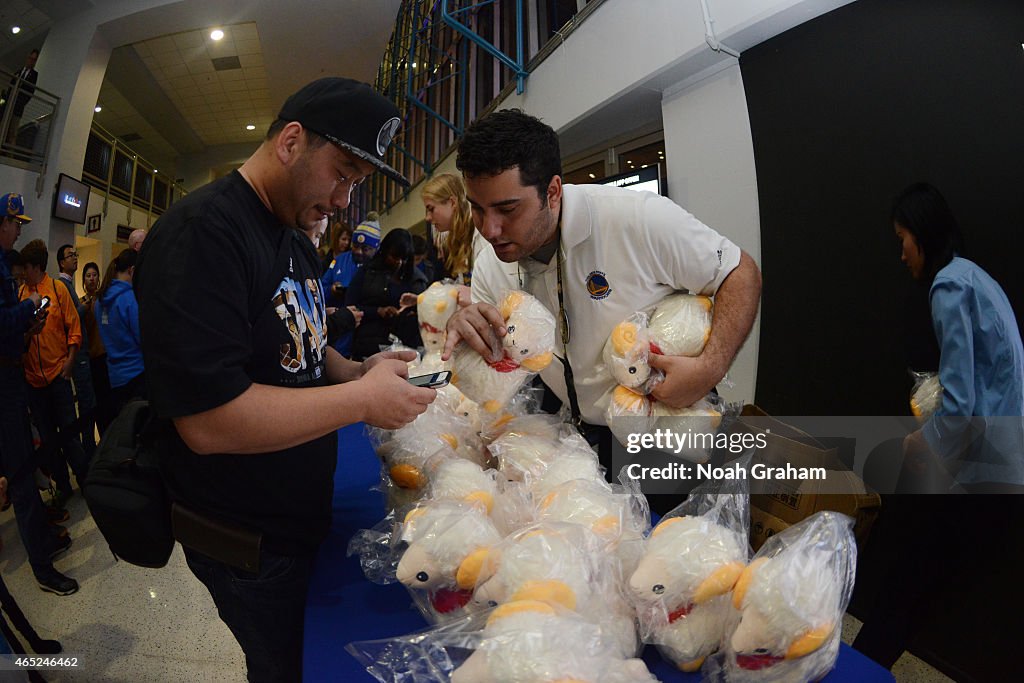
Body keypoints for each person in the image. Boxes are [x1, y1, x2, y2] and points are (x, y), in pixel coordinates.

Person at [134, 77, 436, 682]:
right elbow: (209, 421)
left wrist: (358, 370)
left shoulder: (291, 234)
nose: (345, 200)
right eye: (342, 173)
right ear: (292, 142)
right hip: (247, 537)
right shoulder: (205, 234)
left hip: (296, 514)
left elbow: (304, 343)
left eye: (356, 184)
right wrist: (358, 400)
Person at [443, 109, 762, 469]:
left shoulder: (635, 218)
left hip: (670, 425)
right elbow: (505, 360)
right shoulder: (490, 263)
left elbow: (740, 271)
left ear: (552, 192)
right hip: (581, 437)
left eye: (507, 210)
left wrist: (710, 367)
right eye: (478, 210)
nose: (490, 230)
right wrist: (469, 336)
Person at [853, 182, 1024, 669]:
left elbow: (961, 402)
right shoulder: (975, 278)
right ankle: (868, 664)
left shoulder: (948, 286)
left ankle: (859, 669)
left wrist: (920, 440)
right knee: (921, 588)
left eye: (903, 238)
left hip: (974, 466)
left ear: (922, 235)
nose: (901, 252)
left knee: (904, 578)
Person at [0, 194, 79, 597]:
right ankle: (42, 567)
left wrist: (29, 326)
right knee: (20, 476)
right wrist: (27, 305)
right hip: (7, 384)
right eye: (14, 223)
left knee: (27, 468)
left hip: (16, 377)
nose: (18, 229)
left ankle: (45, 542)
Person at [18, 238, 90, 510]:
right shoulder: (21, 295)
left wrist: (69, 362)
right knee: (48, 441)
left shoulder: (58, 290)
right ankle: (62, 486)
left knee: (69, 434)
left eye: (25, 267)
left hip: (58, 376)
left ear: (35, 266)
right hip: (34, 383)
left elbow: (74, 329)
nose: (22, 273)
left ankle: (85, 480)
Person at [345, 228, 428, 360]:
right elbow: (350, 306)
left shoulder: (416, 279)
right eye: (394, 257)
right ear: (384, 252)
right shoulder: (366, 272)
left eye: (404, 259)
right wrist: (377, 311)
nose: (399, 262)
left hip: (405, 347)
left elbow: (425, 314)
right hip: (367, 345)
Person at [55, 244, 98, 462]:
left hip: (82, 354)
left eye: (75, 255)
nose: (75, 259)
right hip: (78, 356)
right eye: (70, 256)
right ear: (61, 262)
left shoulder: (67, 285)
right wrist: (87, 304)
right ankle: (88, 451)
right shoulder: (62, 285)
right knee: (86, 403)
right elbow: (71, 319)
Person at [95, 249, 146, 415]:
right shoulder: (129, 298)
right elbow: (142, 337)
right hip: (137, 374)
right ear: (132, 270)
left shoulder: (100, 300)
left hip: (115, 376)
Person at [421, 172, 482, 298]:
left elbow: (494, 295)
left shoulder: (482, 236)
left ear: (452, 203)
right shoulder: (460, 238)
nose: (427, 217)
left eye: (431, 209)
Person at [80, 261, 114, 434]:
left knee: (110, 402)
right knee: (97, 403)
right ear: (83, 280)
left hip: (107, 356)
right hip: (92, 358)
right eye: (88, 276)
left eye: (94, 275)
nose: (92, 279)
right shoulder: (81, 305)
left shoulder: (104, 300)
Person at [2, 49, 38, 147]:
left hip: (18, 107)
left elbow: (30, 92)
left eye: (34, 60)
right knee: (3, 127)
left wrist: (20, 104)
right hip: (9, 105)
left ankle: (10, 156)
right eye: (30, 58)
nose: (31, 61)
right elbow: (10, 87)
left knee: (13, 132)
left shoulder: (34, 74)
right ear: (27, 58)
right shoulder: (18, 71)